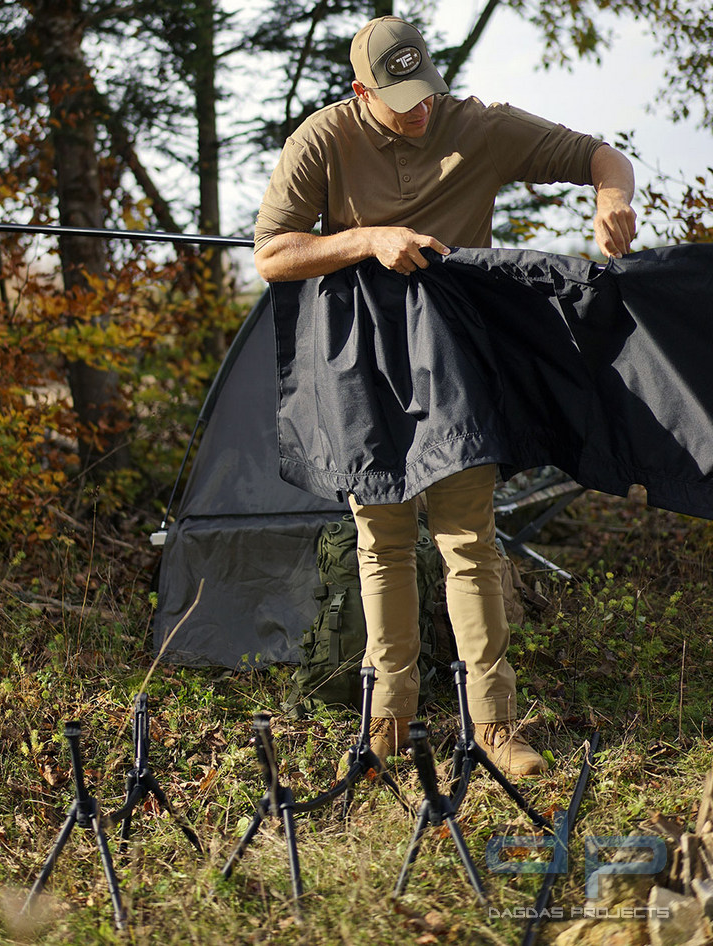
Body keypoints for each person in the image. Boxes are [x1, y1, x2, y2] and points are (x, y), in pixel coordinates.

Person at [254, 16, 637, 776]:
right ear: (362, 91)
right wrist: (368, 239)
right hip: (359, 358)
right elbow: (273, 253)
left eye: (426, 89)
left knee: (469, 541)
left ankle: (495, 728)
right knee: (382, 542)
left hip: (456, 357)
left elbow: (600, 154)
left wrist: (612, 198)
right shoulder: (321, 140)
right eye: (401, 98)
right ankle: (385, 723)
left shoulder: (477, 126)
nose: (421, 108)